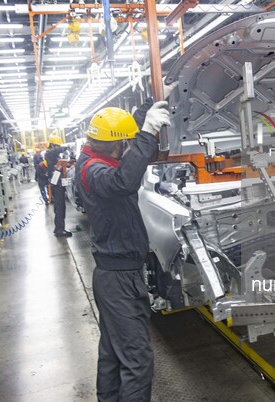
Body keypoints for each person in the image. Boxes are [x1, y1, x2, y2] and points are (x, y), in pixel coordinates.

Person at [75, 100, 170, 402]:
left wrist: (147, 107)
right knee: (138, 360)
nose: (127, 147)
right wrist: (148, 134)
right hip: (118, 279)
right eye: (125, 143)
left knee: (113, 354)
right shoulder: (95, 171)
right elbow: (124, 181)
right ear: (116, 147)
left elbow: (123, 132)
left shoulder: (92, 158)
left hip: (114, 274)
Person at [45, 135, 72, 238]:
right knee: (60, 207)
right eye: (57, 146)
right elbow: (55, 152)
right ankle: (59, 230)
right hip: (56, 184)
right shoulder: (49, 154)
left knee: (61, 207)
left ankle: (59, 228)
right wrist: (65, 147)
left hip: (58, 183)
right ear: (52, 145)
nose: (58, 148)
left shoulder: (54, 155)